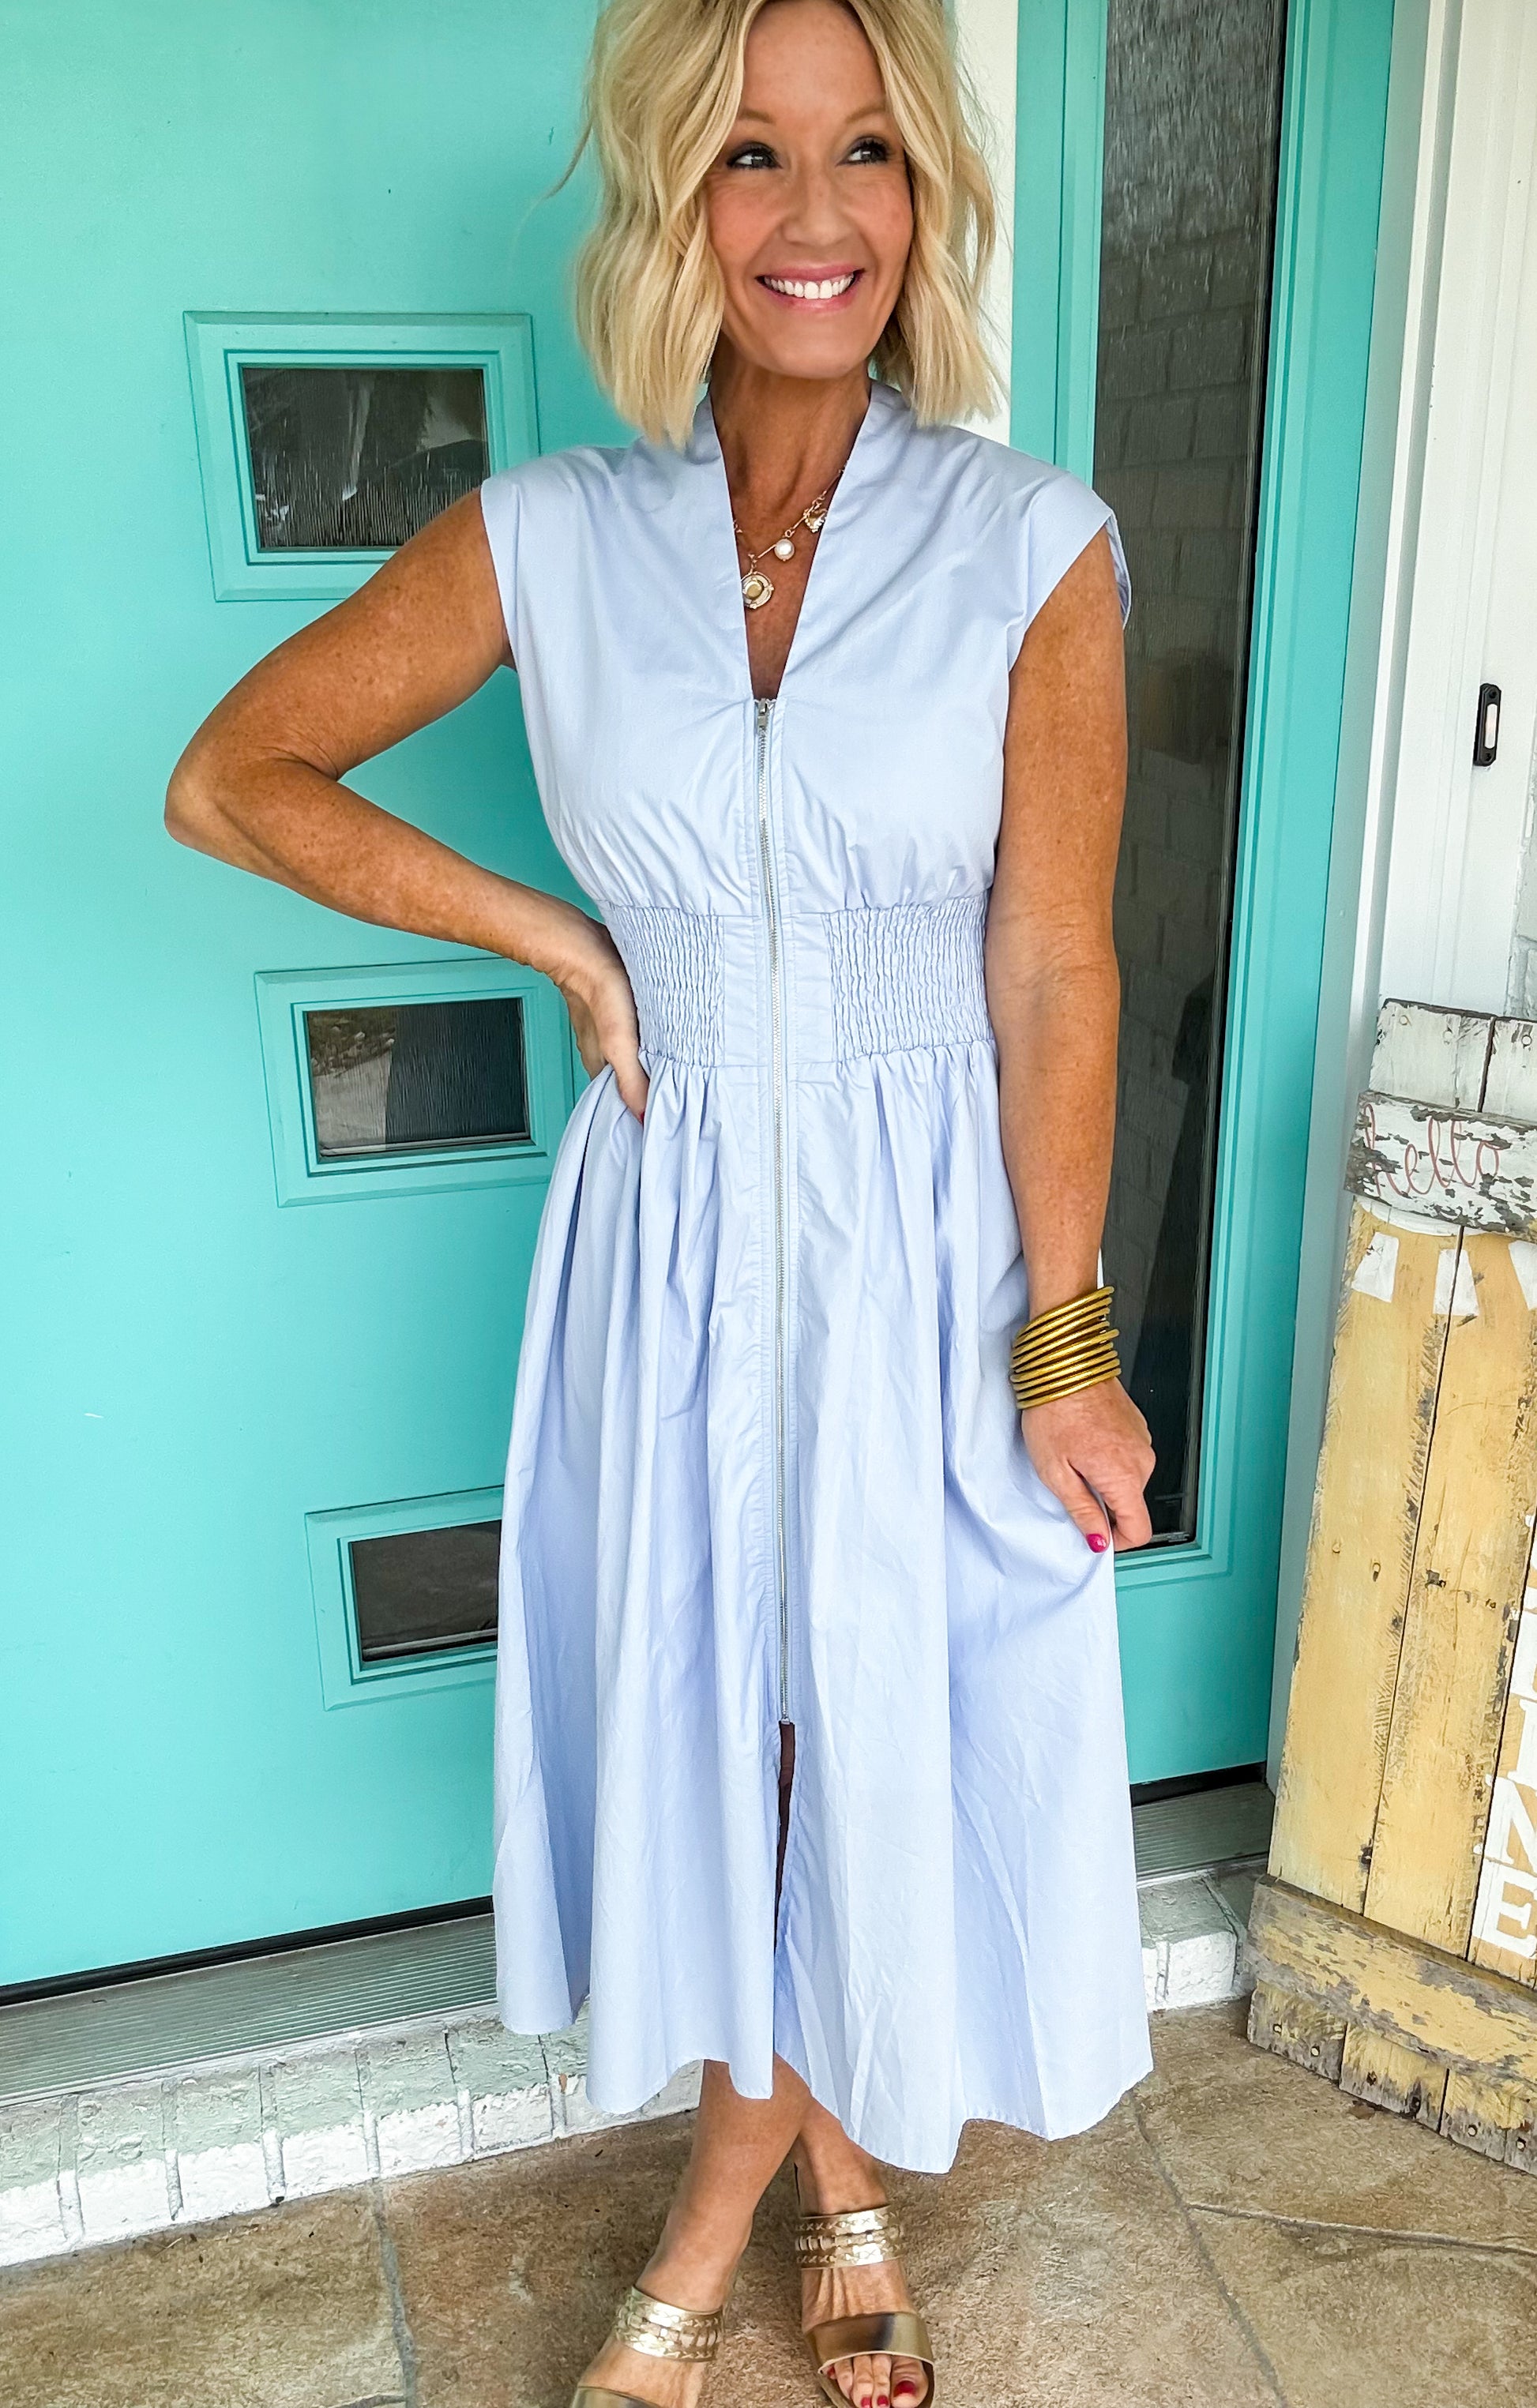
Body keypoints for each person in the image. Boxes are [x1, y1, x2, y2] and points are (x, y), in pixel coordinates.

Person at [166, 0, 1157, 2399]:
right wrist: (556, 937)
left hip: (929, 1246)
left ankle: (719, 2225)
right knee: (734, 1735)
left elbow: (1051, 957)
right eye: (748, 155)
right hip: (675, 1233)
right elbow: (234, 776)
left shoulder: (1029, 546)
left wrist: (1064, 1333)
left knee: (870, 1734)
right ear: (669, 204)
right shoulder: (553, 537)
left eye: (864, 153)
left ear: (925, 195)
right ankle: (837, 2196)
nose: (814, 217)